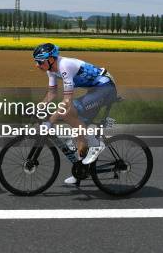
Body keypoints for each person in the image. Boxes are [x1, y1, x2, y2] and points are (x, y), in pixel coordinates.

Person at [33, 43, 117, 185]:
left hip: (106, 87)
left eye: (40, 61)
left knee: (68, 111)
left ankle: (96, 145)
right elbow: (52, 93)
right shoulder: (51, 70)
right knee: (78, 133)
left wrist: (49, 122)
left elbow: (67, 101)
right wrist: (38, 108)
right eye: (36, 61)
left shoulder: (64, 66)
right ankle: (80, 172)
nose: (37, 65)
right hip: (95, 90)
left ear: (51, 59)